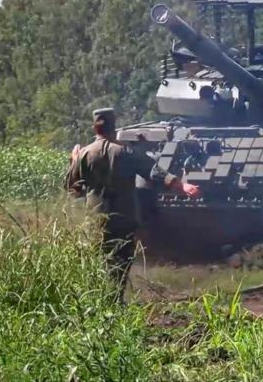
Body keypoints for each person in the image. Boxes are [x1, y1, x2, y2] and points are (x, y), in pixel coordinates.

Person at [65, 108, 200, 296]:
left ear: (95, 129)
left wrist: (74, 161)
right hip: (124, 218)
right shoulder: (126, 152)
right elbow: (154, 172)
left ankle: (97, 299)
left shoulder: (84, 154)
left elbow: (73, 190)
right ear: (114, 127)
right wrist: (181, 186)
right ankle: (115, 299)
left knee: (98, 261)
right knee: (121, 262)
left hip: (96, 219)